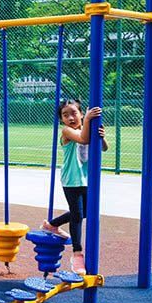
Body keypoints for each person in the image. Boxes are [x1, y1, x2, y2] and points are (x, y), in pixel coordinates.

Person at [41, 99, 108, 274]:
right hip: (71, 179)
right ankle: (77, 255)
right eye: (65, 115)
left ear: (80, 114)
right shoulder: (67, 131)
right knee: (78, 214)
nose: (70, 117)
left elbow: (104, 148)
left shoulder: (87, 129)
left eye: (74, 113)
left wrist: (102, 137)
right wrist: (87, 120)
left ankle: (51, 225)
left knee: (84, 212)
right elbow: (84, 139)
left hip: (87, 179)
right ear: (62, 119)